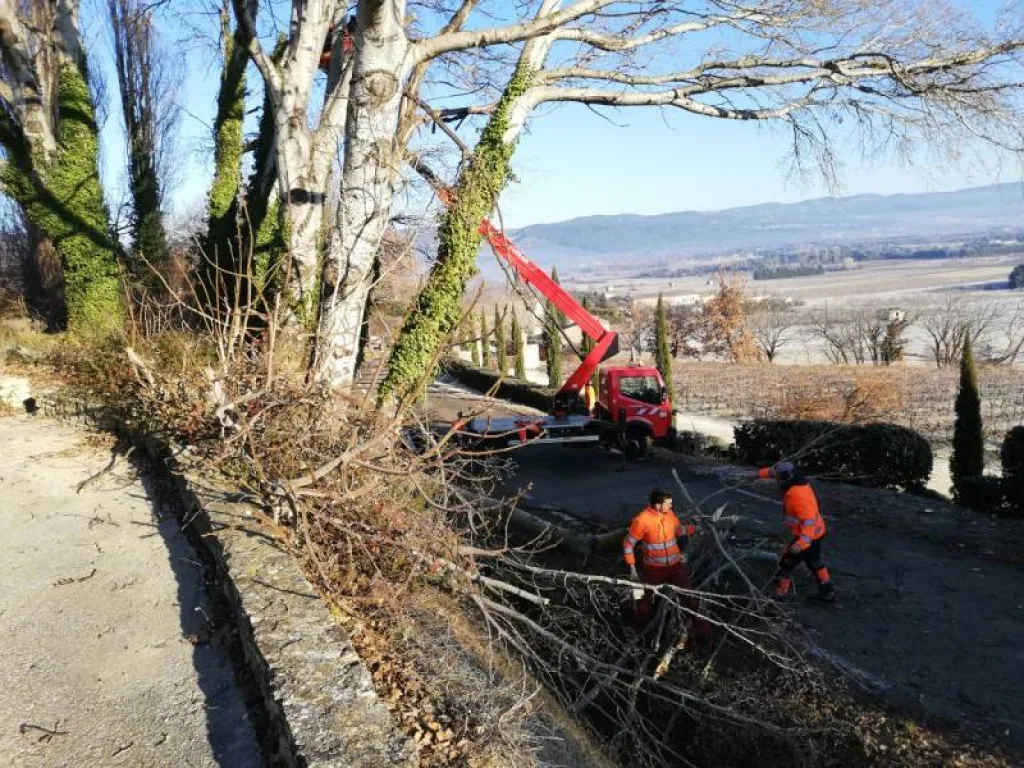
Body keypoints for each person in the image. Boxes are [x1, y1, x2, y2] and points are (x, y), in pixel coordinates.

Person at [623, 489, 711, 640]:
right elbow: (628, 544)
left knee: (690, 599)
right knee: (644, 603)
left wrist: (696, 529)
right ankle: (636, 635)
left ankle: (704, 635)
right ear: (658, 505)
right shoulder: (641, 520)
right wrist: (631, 565)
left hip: (675, 568)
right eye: (668, 504)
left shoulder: (669, 515)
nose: (671, 506)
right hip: (653, 570)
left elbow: (678, 530)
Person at [755, 461, 834, 602]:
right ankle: (827, 592)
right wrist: (755, 475)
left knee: (785, 564)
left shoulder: (798, 496)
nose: (776, 480)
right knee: (814, 561)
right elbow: (772, 471)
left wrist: (800, 545)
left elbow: (808, 522)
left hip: (806, 537)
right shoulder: (794, 476)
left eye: (778, 479)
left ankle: (779, 596)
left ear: (785, 479)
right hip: (817, 532)